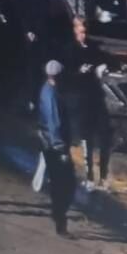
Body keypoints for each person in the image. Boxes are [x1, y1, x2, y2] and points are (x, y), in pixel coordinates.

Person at [60, 18, 115, 192]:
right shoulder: (68, 50)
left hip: (95, 97)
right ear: (74, 31)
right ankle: (89, 175)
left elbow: (107, 59)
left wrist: (104, 66)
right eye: (80, 32)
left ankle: (104, 176)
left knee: (105, 135)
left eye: (85, 32)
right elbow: (65, 76)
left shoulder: (92, 48)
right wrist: (78, 72)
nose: (83, 35)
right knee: (87, 138)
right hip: (80, 98)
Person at [38, 59, 76, 237]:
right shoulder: (52, 95)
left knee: (58, 182)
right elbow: (54, 123)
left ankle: (58, 215)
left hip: (49, 142)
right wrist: (61, 149)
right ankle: (60, 221)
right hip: (55, 145)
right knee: (66, 184)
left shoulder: (47, 90)